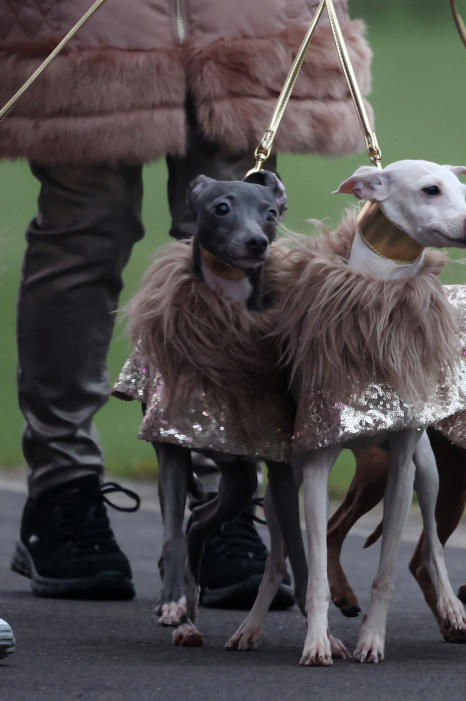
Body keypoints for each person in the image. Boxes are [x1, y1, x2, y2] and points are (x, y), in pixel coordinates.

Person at [0, 1, 373, 601]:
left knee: (236, 236)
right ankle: (61, 489)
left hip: (242, 22)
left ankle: (222, 491)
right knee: (80, 234)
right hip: (86, 24)